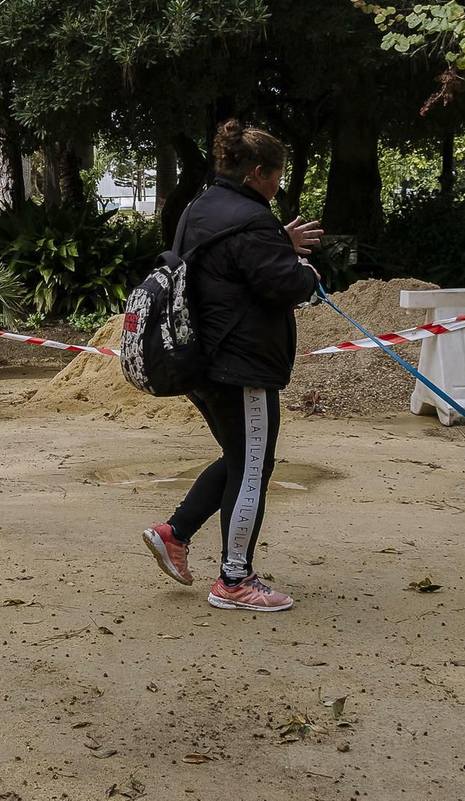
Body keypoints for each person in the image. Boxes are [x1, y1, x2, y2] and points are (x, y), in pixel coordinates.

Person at [142, 120, 322, 612]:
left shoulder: (200, 207)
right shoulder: (253, 219)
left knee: (241, 459)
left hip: (198, 360)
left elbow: (228, 265)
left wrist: (276, 242)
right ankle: (234, 578)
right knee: (252, 469)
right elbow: (282, 284)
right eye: (277, 175)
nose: (279, 184)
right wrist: (305, 270)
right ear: (258, 172)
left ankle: (174, 533)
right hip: (241, 367)